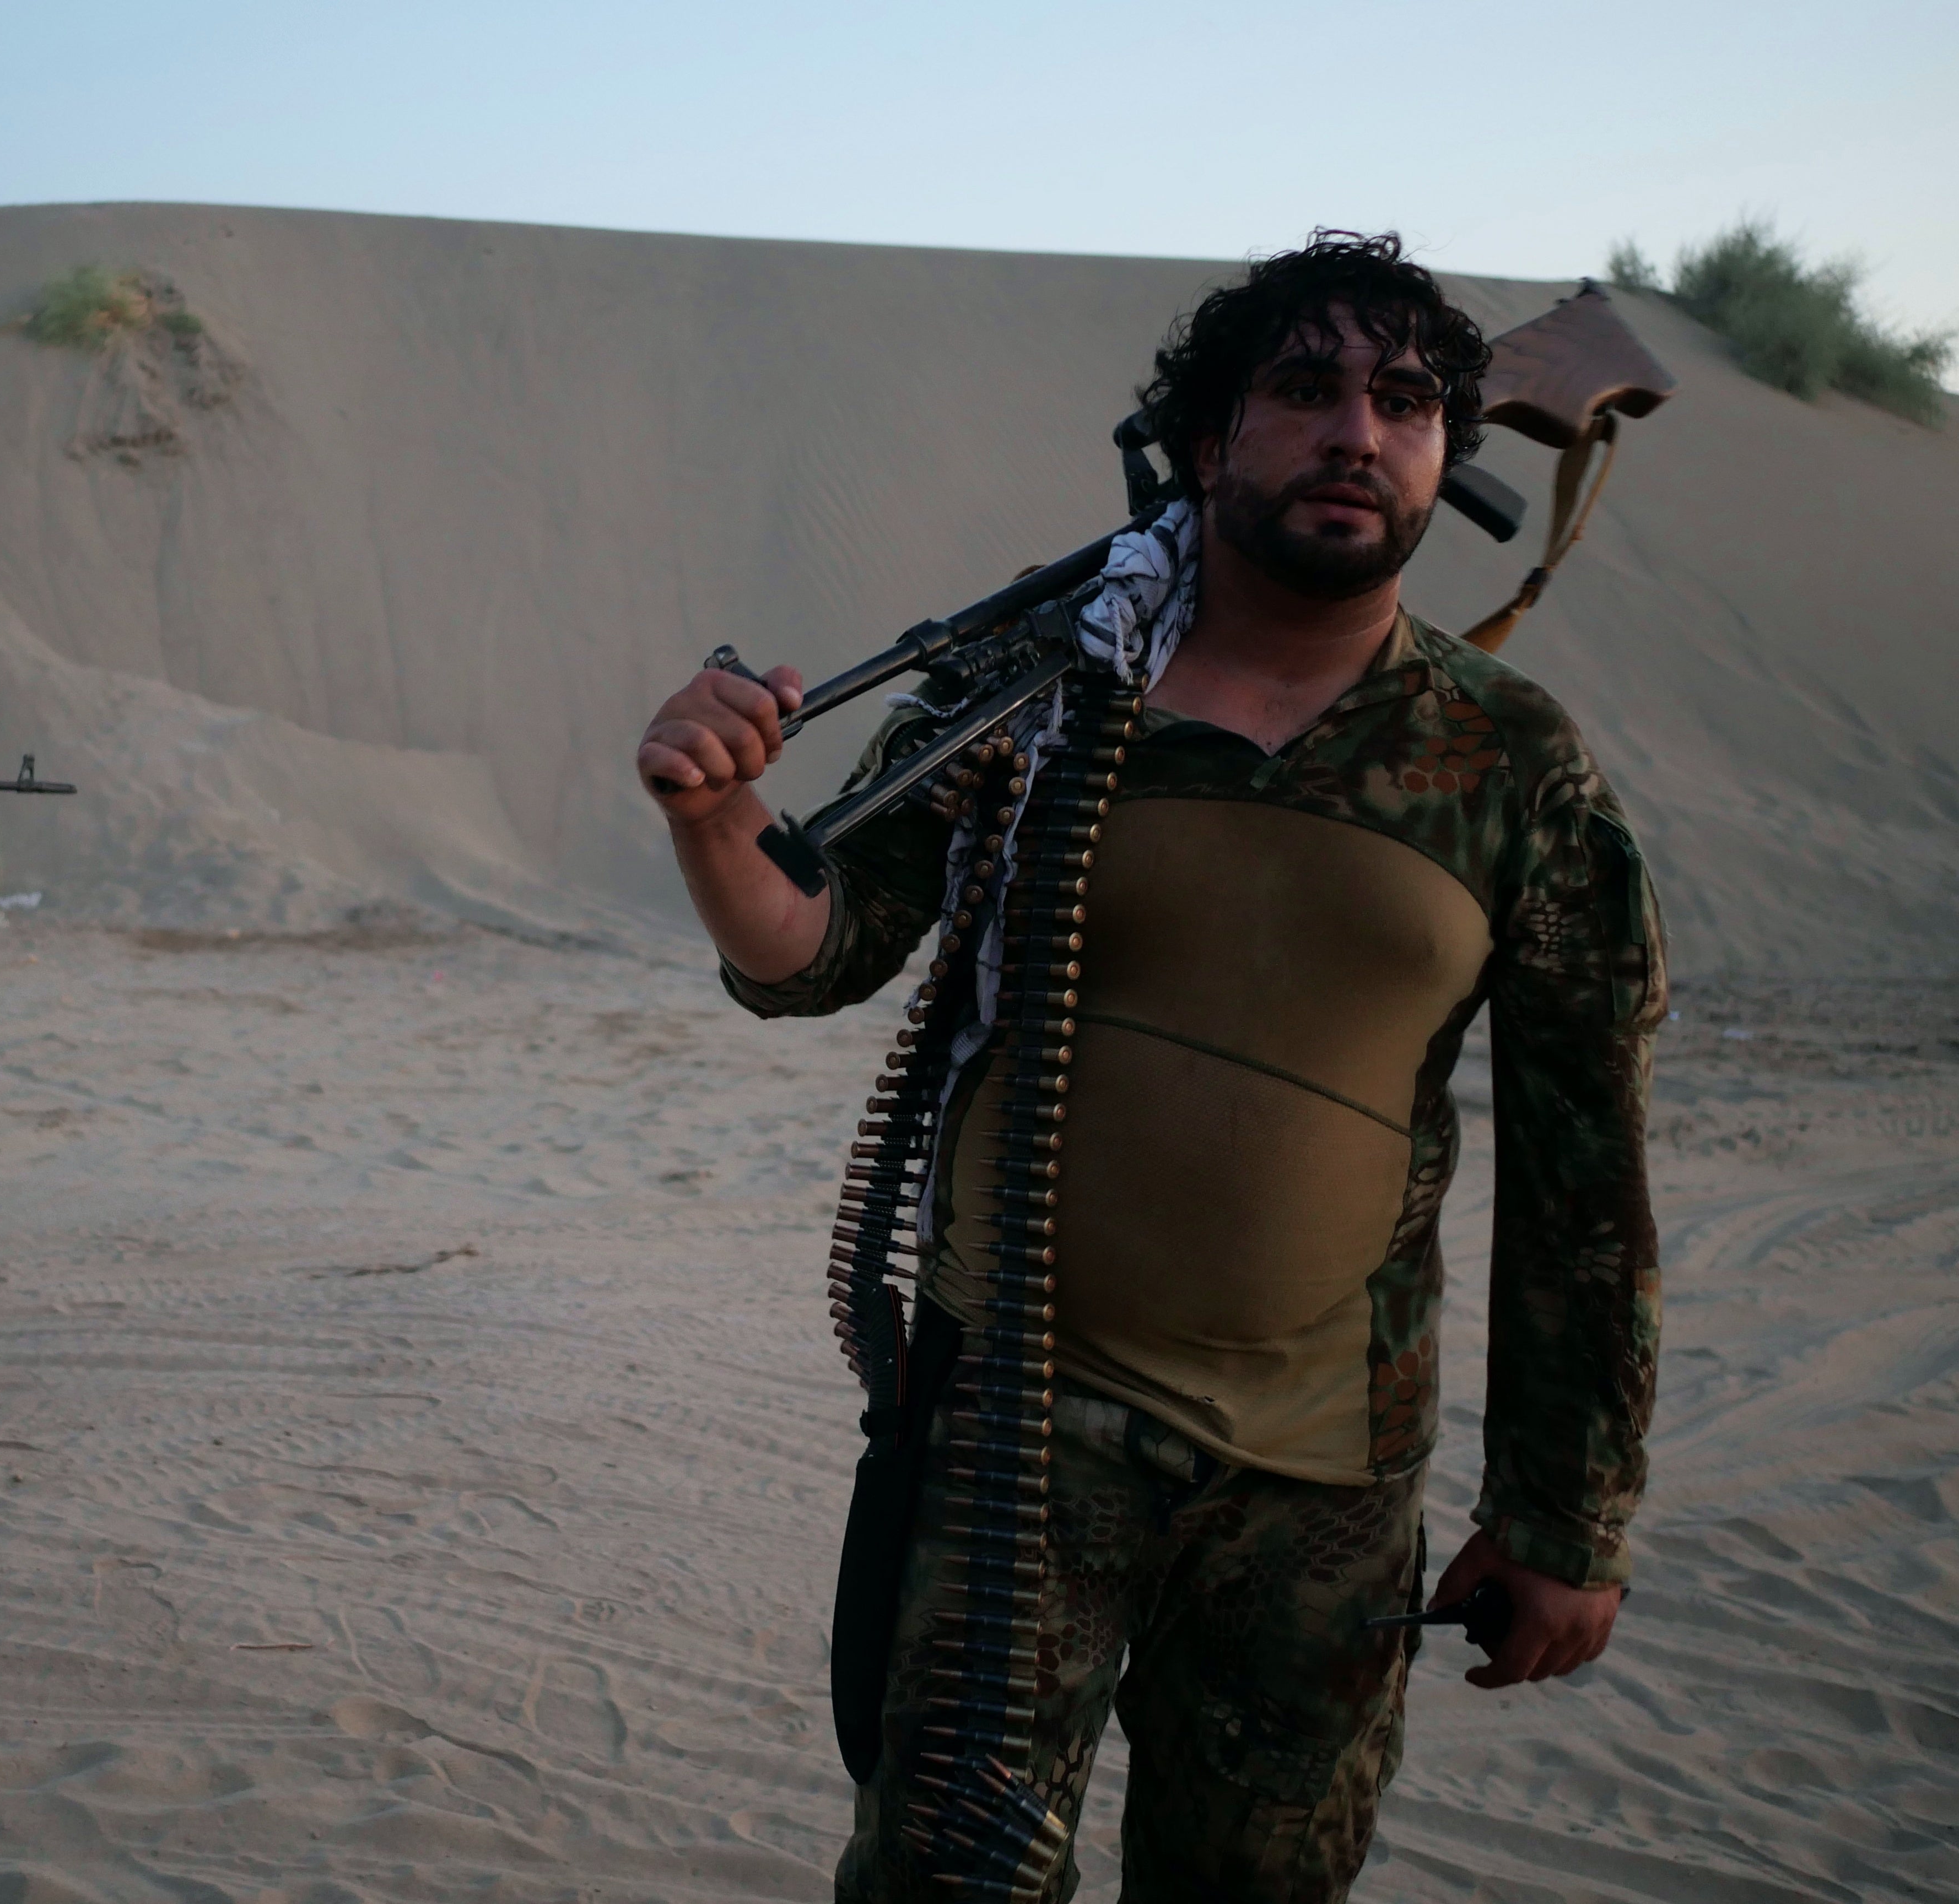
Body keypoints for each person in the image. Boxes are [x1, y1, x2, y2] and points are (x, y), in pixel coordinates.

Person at [636, 235, 1665, 1901]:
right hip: (1020, 1446)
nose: (1359, 431)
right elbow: (815, 949)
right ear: (1208, 440)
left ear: (1443, 458)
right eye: (1306, 388)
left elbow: (1586, 1180)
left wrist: (1569, 1518)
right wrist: (714, 818)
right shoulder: (1042, 689)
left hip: (1326, 1495)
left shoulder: (1513, 767)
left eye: (1406, 403)